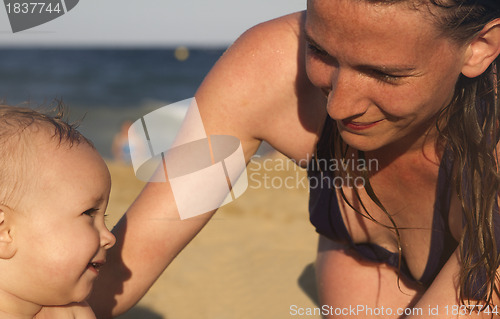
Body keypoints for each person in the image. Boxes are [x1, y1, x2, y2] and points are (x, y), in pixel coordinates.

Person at [87, 0, 500, 318]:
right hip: (367, 258)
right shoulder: (269, 68)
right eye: (320, 51)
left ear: (479, 48)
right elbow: (134, 255)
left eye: (384, 74)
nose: (337, 107)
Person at [0, 105, 116, 318]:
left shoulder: (73, 312)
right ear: (4, 231)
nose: (109, 237)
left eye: (104, 217)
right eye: (89, 213)